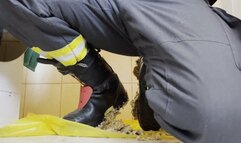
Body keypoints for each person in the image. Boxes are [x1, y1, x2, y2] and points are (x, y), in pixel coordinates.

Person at [1, 0, 241, 142]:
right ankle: (104, 88)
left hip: (182, 10)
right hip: (113, 5)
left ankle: (153, 74)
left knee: (216, 119)